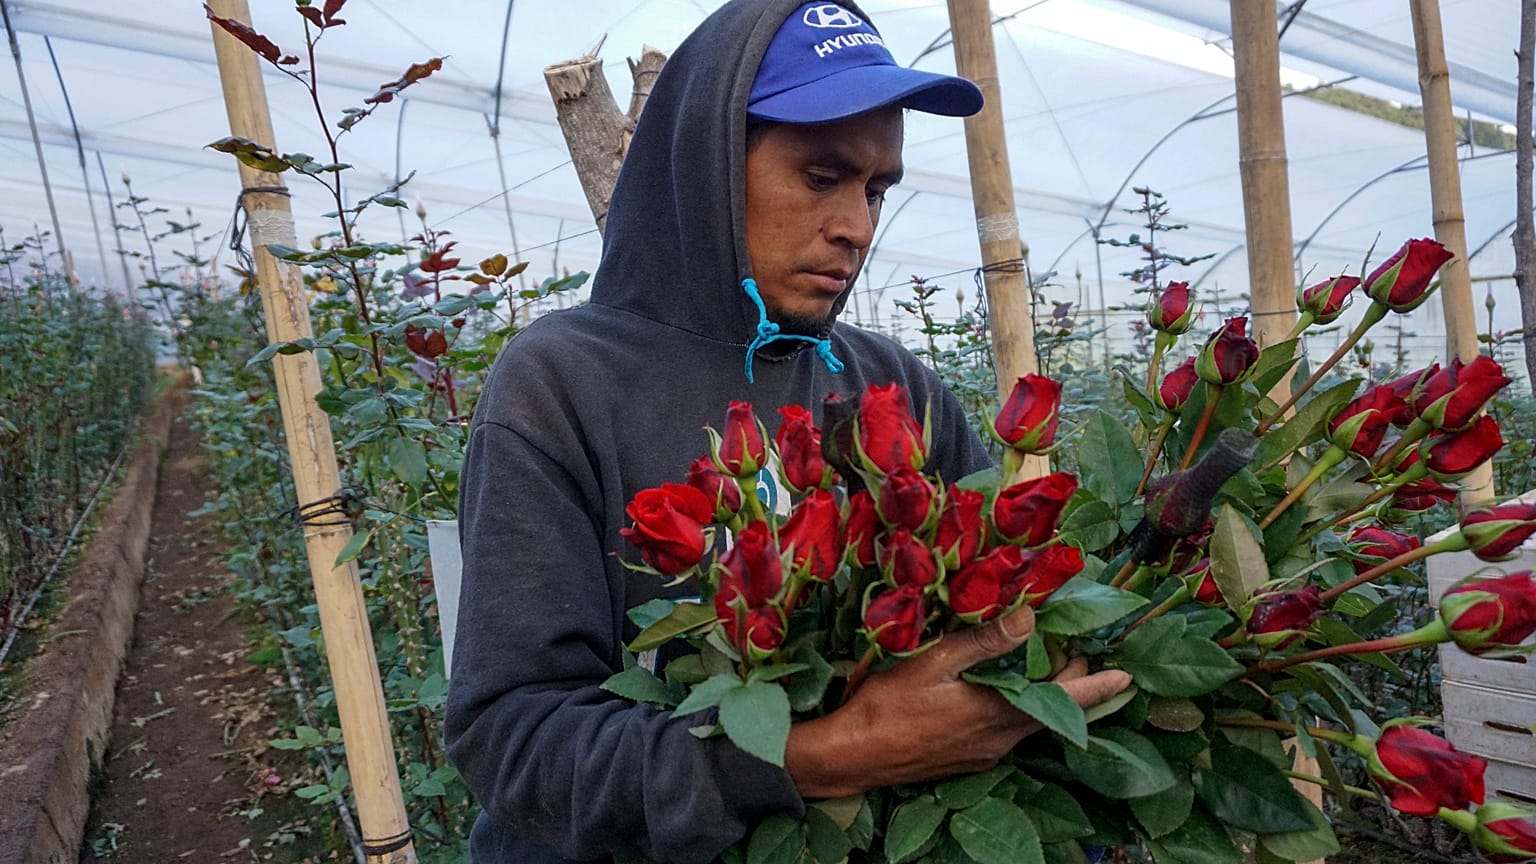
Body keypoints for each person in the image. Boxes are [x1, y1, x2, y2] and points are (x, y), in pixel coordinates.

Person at [445, 2, 1131, 862]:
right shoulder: (563, 383)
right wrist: (821, 757)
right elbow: (513, 741)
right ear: (708, 166)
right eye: (821, 176)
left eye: (877, 189)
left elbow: (997, 611)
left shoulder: (891, 385)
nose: (858, 226)